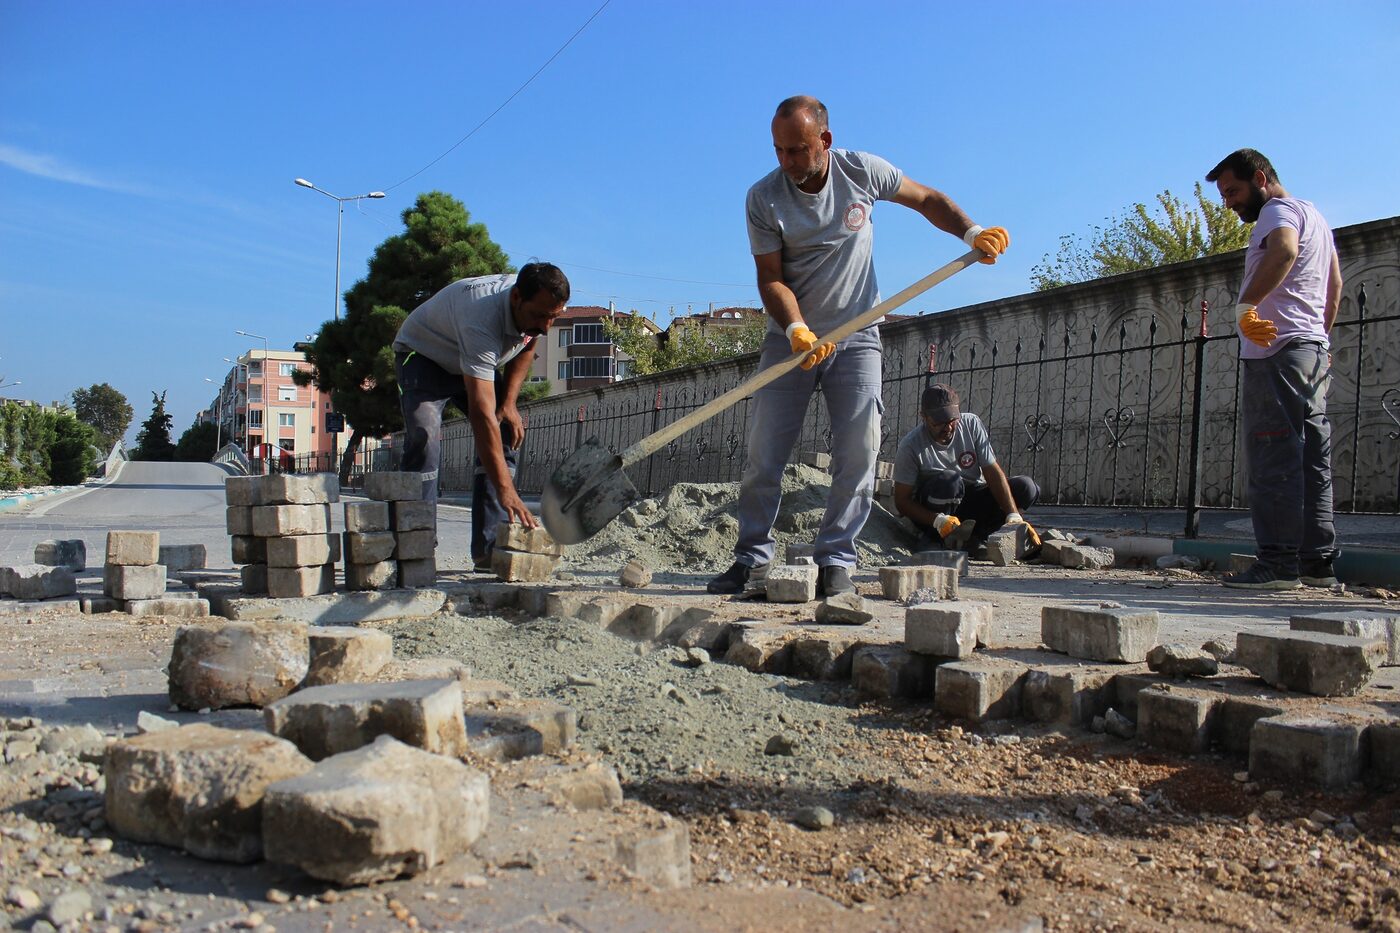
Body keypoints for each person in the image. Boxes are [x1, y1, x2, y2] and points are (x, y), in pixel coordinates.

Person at [707, 95, 1009, 597]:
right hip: (792, 342)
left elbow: (927, 199)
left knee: (859, 449)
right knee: (765, 452)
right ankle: (751, 559)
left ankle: (836, 562)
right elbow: (770, 280)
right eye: (779, 150)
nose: (787, 162)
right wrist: (797, 328)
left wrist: (971, 232)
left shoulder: (861, 172)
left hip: (857, 337)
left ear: (824, 141)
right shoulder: (763, 198)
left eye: (798, 150)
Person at [1207, 149, 1342, 590]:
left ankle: (1278, 565)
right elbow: (1334, 286)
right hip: (1310, 350)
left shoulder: (1277, 211)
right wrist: (1320, 337)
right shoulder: (1315, 215)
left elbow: (1283, 249)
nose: (1228, 202)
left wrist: (1246, 306)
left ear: (1260, 178)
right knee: (1311, 459)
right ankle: (1315, 563)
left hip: (1276, 351)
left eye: (1233, 191)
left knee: (1272, 456)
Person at [392, 262, 570, 564]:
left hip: (467, 358)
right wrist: (506, 490)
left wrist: (510, 403)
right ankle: (416, 543)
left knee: (504, 428)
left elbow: (527, 345)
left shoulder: (536, 307)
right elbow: (481, 415)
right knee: (425, 437)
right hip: (423, 356)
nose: (546, 326)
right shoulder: (481, 318)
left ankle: (489, 549)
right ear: (516, 298)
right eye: (540, 316)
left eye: (553, 317)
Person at [892, 383, 1038, 552]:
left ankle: (977, 538)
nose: (948, 428)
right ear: (924, 417)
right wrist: (937, 520)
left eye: (952, 420)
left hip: (969, 501)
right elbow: (901, 501)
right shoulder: (910, 446)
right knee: (950, 480)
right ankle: (936, 538)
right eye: (939, 422)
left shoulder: (971, 424)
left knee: (1026, 488)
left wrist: (1013, 515)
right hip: (936, 508)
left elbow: (992, 471)